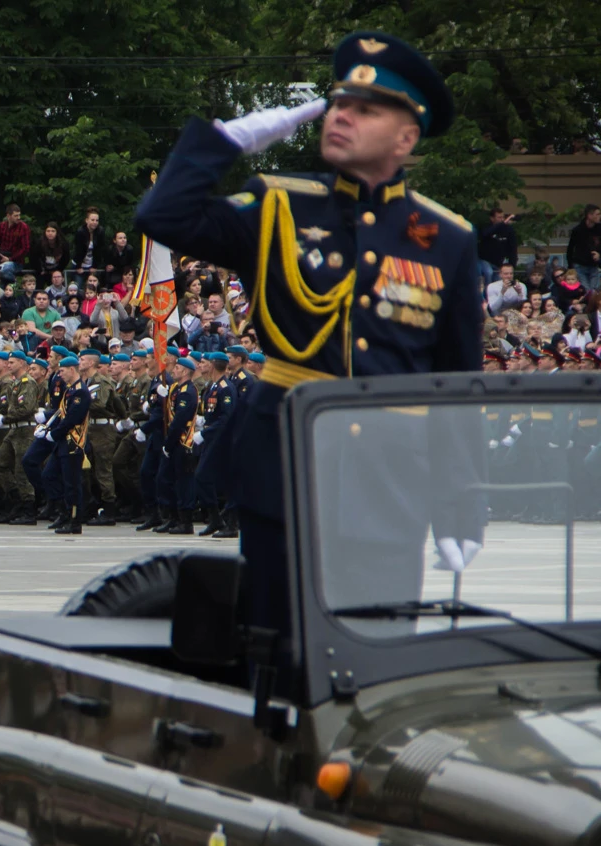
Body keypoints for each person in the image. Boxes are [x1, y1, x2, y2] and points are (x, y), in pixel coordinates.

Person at [134, 30, 482, 637]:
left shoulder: (446, 237)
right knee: (276, 644)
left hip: (389, 477)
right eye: (339, 104)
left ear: (407, 136)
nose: (341, 116)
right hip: (286, 460)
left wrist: (460, 505)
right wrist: (223, 142)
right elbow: (162, 217)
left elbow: (456, 384)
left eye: (364, 110)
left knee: (376, 648)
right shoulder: (279, 204)